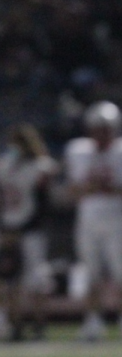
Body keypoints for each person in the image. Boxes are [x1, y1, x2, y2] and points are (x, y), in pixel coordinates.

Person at [64, 100, 122, 341]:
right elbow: (71, 191)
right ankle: (93, 321)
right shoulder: (78, 150)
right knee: (91, 273)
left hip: (117, 218)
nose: (101, 134)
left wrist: (108, 189)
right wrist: (91, 188)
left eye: (106, 128)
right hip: (88, 219)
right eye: (97, 128)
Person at [0, 124, 58, 341]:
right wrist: (5, 229)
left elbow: (43, 206)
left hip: (32, 231)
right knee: (9, 281)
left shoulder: (40, 167)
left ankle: (39, 326)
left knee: (36, 280)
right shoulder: (5, 166)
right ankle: (15, 326)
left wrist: (21, 230)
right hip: (8, 230)